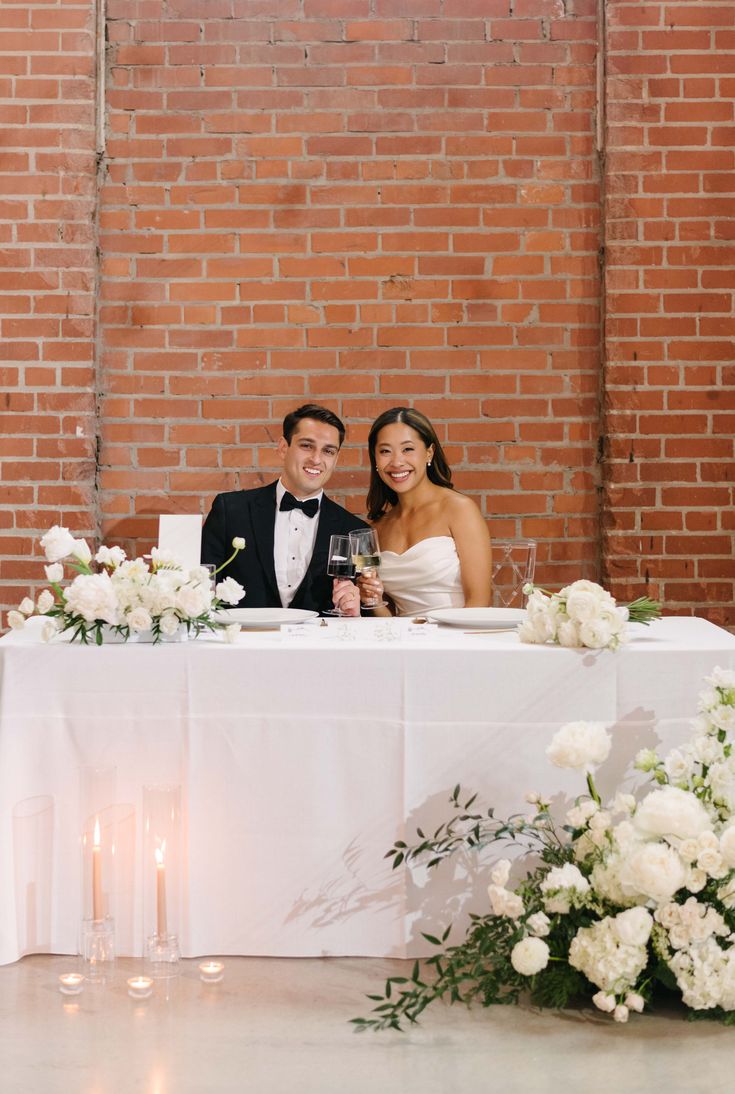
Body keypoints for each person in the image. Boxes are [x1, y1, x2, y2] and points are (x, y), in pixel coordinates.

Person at [202, 404, 367, 616]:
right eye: (307, 446)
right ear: (283, 447)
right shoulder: (231, 510)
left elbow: (358, 613)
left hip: (318, 646)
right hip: (243, 643)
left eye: (328, 451)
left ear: (336, 459)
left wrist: (354, 608)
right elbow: (202, 587)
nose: (316, 459)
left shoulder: (353, 530)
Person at [358, 407, 492, 616]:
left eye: (408, 449)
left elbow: (480, 601)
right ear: (375, 459)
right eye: (385, 451)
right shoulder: (374, 529)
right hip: (403, 643)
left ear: (429, 452)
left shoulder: (459, 509)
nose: (396, 462)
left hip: (458, 639)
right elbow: (384, 616)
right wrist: (372, 600)